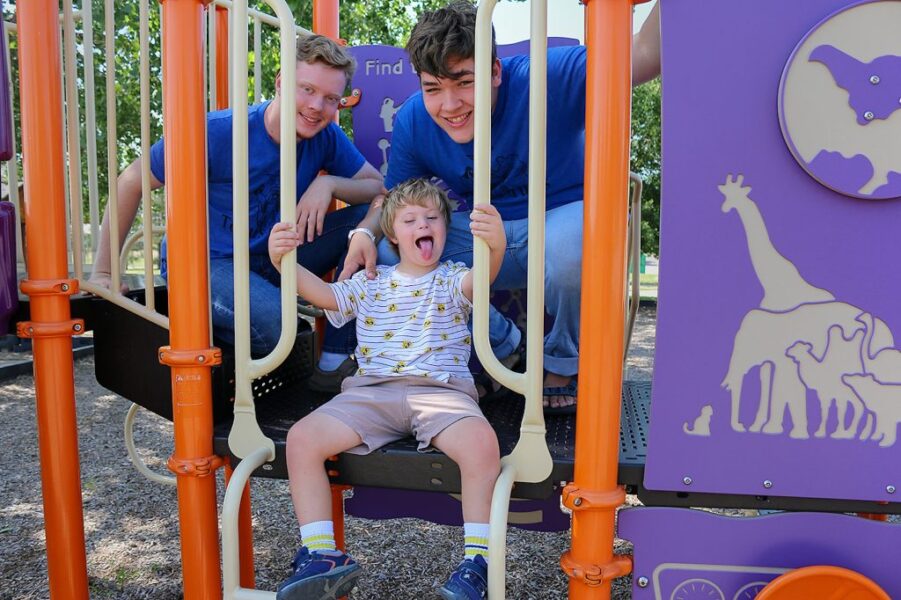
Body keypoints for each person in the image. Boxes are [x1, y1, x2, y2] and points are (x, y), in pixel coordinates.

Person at [343, 1, 661, 413]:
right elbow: (392, 199)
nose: (450, 104)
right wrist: (366, 232)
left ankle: (560, 363)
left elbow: (644, 55)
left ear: (495, 71)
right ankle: (504, 345)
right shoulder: (414, 121)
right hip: (482, 233)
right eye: (433, 88)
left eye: (463, 82)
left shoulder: (549, 76)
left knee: (573, 248)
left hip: (557, 222)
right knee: (390, 250)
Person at [90, 34, 384, 390]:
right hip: (209, 263)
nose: (317, 106)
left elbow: (376, 187)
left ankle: (333, 358)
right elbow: (130, 181)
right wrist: (104, 271)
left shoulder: (326, 136)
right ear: (281, 82)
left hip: (273, 256)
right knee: (279, 326)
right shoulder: (220, 132)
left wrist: (329, 184)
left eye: (330, 99)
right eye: (306, 89)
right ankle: (230, 338)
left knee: (370, 222)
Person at [268, 178, 504, 600]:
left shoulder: (452, 279)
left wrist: (496, 247)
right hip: (371, 392)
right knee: (302, 439)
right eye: (410, 219)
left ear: (444, 231)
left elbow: (481, 281)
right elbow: (323, 295)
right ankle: (321, 554)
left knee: (482, 445)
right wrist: (284, 261)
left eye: (431, 218)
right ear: (393, 234)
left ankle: (477, 562)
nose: (422, 225)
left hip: (440, 392)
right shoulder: (371, 280)